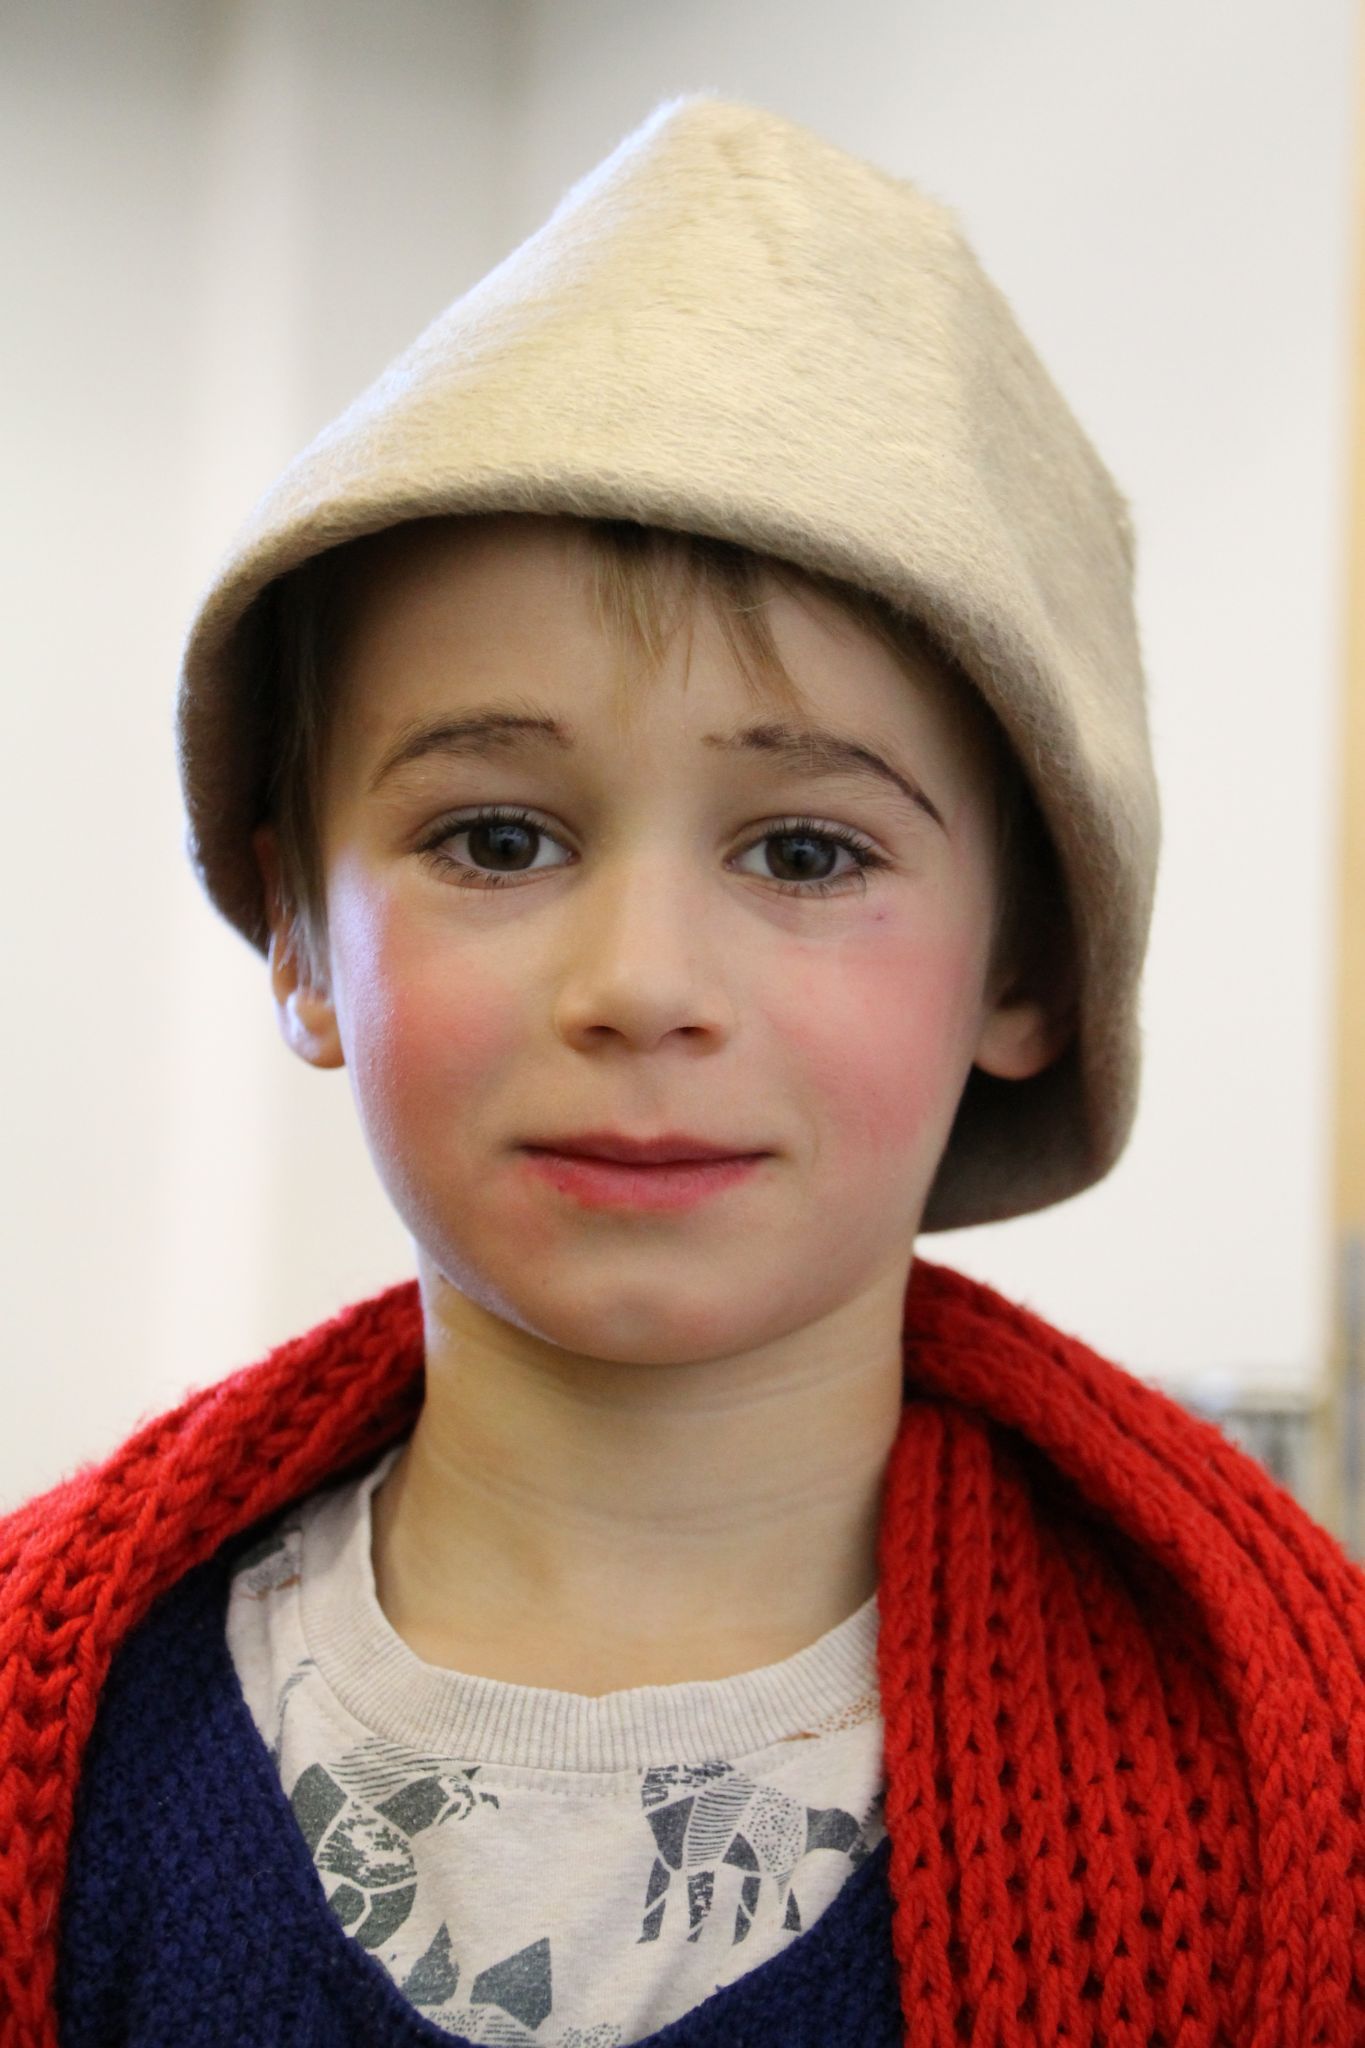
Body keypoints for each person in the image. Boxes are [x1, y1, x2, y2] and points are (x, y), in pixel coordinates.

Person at [3, 91, 1363, 2048]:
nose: (639, 984)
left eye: (803, 853)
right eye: (495, 838)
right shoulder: (60, 1728)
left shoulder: (1271, 1766)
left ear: (1029, 961)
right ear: (299, 934)